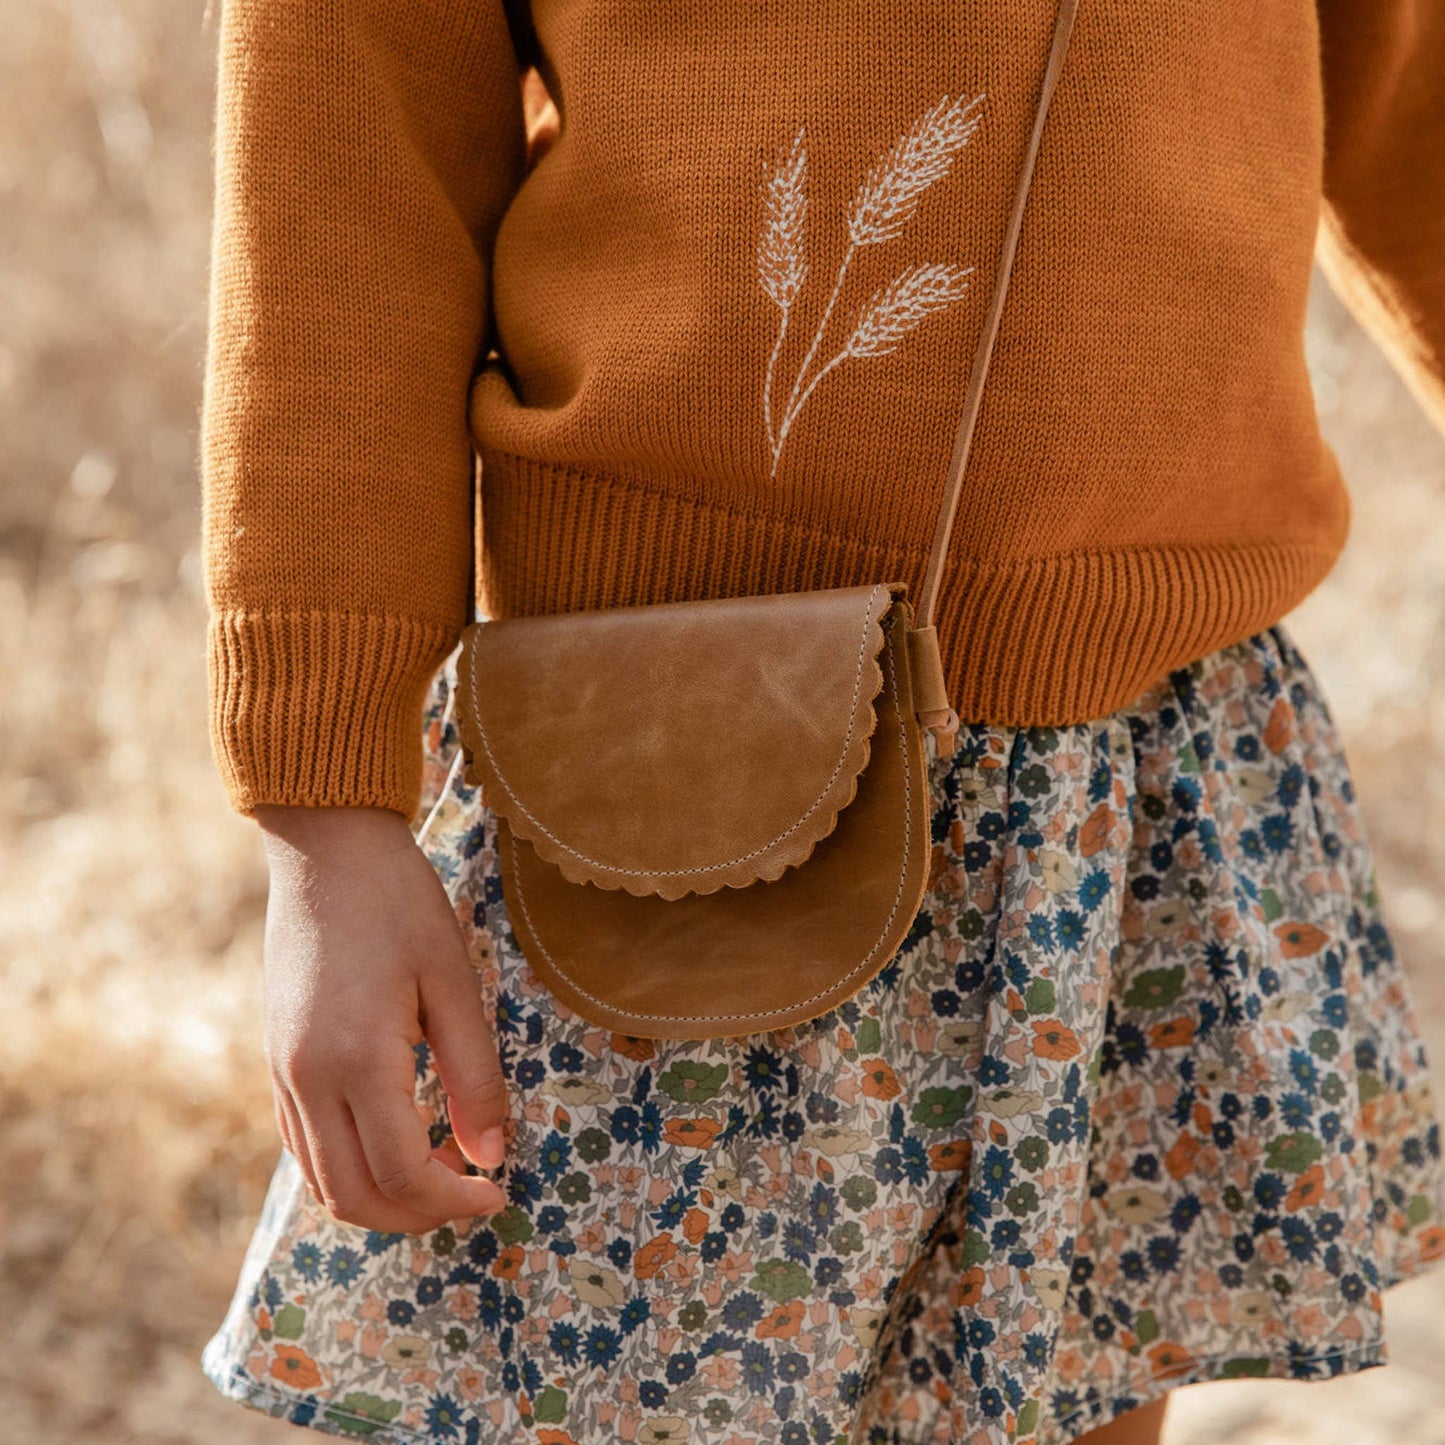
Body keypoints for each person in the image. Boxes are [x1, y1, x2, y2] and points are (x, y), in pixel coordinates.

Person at [195, 2, 1445, 1442]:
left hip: (1133, 773)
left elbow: (1405, 95)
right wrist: (325, 814)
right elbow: (339, 191)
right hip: (674, 783)